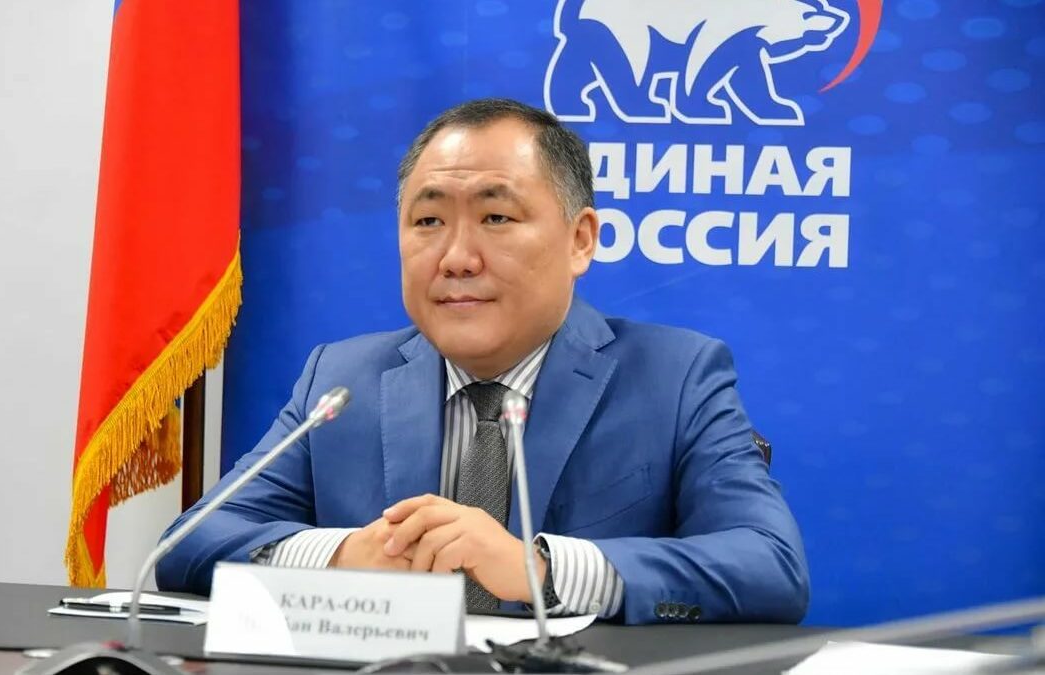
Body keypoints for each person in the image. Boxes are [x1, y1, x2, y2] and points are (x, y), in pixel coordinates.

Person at [156, 98, 809, 625]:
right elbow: (191, 543)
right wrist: (345, 554)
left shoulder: (677, 376)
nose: (457, 257)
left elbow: (770, 566)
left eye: (496, 217)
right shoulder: (342, 380)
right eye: (428, 222)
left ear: (580, 240)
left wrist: (541, 568)